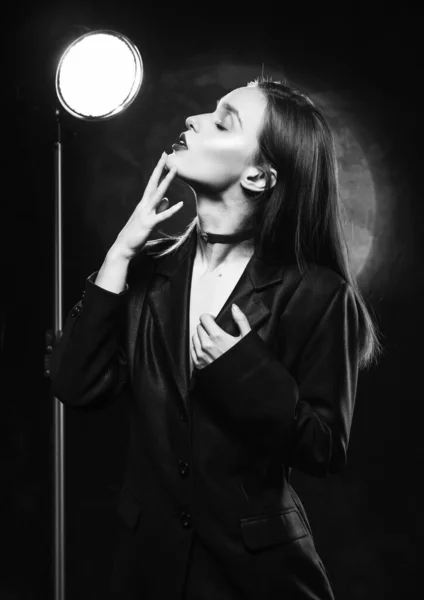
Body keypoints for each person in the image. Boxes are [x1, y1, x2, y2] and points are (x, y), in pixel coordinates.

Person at [50, 76, 383, 599]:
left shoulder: (319, 294)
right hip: (147, 571)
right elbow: (75, 383)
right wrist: (119, 254)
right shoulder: (146, 269)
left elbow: (325, 449)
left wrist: (243, 369)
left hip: (256, 579)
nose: (193, 120)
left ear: (258, 175)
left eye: (223, 121)